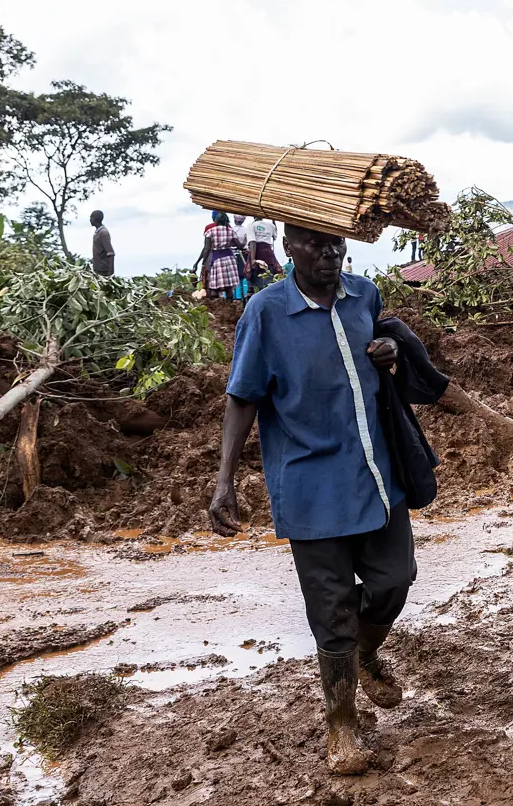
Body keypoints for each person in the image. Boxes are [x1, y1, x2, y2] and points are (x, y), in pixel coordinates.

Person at [211, 224, 425, 775]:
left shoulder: (364, 296)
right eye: (314, 244)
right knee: (330, 609)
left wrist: (391, 349)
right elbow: (243, 397)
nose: (328, 254)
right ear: (289, 248)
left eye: (335, 243)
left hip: (376, 473)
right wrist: (225, 482)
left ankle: (367, 652)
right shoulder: (265, 312)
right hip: (309, 484)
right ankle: (342, 722)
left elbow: (386, 351)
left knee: (394, 579)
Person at [196, 213, 244, 300]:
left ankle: (217, 307)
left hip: (217, 260)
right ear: (227, 221)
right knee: (229, 287)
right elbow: (240, 246)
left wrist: (203, 263)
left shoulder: (210, 231)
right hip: (230, 260)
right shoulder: (231, 231)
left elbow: (207, 248)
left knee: (215, 287)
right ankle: (230, 307)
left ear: (216, 221)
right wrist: (245, 239)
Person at [90, 210, 114, 276]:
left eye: (91, 218)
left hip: (103, 271)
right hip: (97, 269)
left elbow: (110, 253)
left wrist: (110, 271)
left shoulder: (103, 233)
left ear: (94, 218)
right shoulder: (98, 232)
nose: (90, 220)